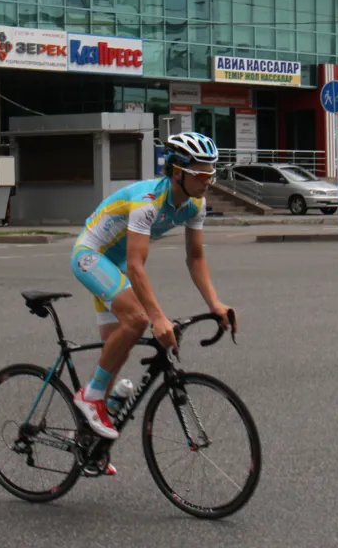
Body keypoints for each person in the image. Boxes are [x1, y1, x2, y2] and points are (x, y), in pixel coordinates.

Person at [69, 131, 236, 446]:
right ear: (177, 172)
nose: (208, 181)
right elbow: (136, 266)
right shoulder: (147, 203)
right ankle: (89, 397)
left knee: (115, 355)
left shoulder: (194, 205)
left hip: (115, 266)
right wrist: (158, 318)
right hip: (90, 256)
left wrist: (215, 304)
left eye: (211, 173)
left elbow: (196, 258)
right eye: (201, 174)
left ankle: (86, 445)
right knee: (138, 320)